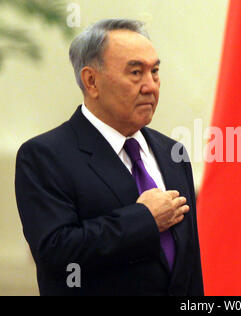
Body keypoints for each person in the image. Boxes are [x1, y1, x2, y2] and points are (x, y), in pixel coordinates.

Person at [15, 19, 203, 296]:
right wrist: (143, 219)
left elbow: (189, 265)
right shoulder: (45, 156)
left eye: (155, 71)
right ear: (91, 81)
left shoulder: (172, 153)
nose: (150, 86)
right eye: (136, 73)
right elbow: (57, 254)